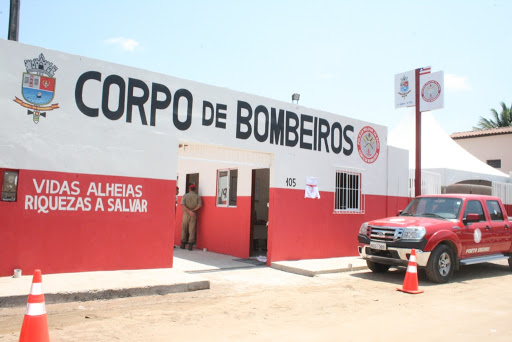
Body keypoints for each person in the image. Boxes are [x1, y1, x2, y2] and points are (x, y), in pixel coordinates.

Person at [180, 184, 202, 251]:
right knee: (192, 229)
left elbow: (182, 204)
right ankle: (190, 245)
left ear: (189, 189)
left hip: (186, 214)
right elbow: (199, 205)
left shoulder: (185, 195)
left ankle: (183, 244)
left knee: (184, 228)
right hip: (193, 214)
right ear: (195, 190)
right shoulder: (197, 196)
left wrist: (188, 211)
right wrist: (192, 211)